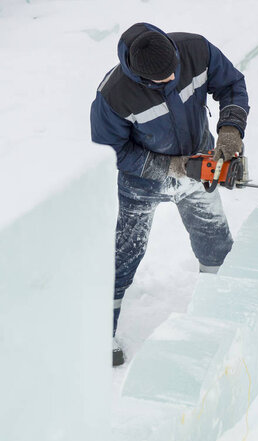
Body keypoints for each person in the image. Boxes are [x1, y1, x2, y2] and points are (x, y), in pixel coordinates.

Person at [90, 22, 249, 366]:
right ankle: (98, 337)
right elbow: (110, 153)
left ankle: (221, 315)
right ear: (137, 76)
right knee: (122, 256)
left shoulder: (196, 51)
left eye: (172, 74)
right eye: (158, 82)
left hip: (200, 165)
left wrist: (230, 132)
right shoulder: (113, 96)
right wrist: (173, 167)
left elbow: (232, 84)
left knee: (215, 241)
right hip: (140, 185)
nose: (169, 81)